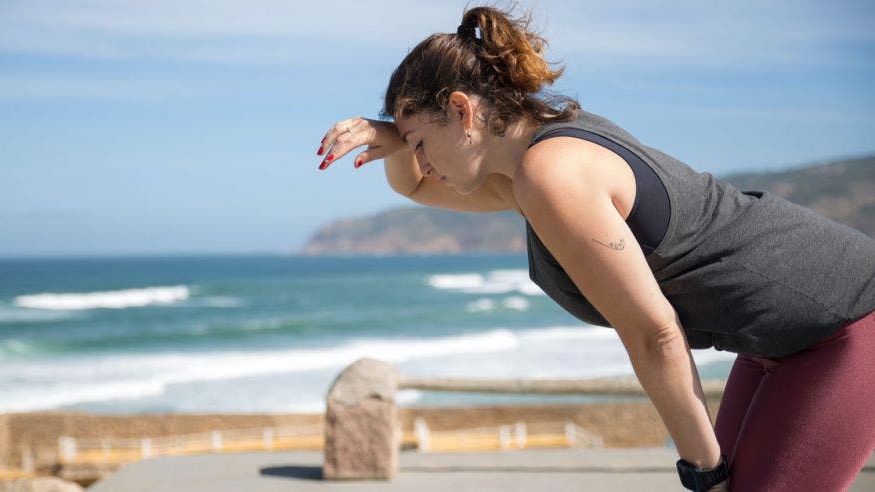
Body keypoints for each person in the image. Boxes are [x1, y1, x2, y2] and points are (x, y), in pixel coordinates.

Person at [316, 4, 875, 491]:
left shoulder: (553, 176)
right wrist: (391, 134)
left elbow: (653, 333)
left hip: (843, 322)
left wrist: (705, 472)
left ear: (463, 111)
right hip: (778, 339)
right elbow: (415, 185)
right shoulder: (537, 157)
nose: (423, 159)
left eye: (421, 143)